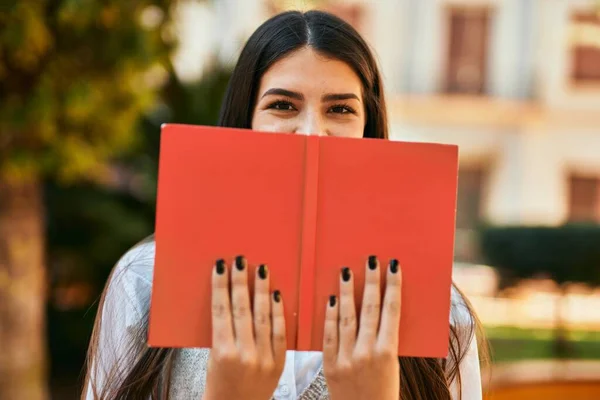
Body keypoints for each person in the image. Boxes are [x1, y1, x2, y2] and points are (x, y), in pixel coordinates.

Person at [82, 9, 488, 400]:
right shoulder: (143, 282)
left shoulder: (443, 316)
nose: (312, 132)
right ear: (246, 120)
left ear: (369, 130)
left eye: (341, 109)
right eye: (282, 105)